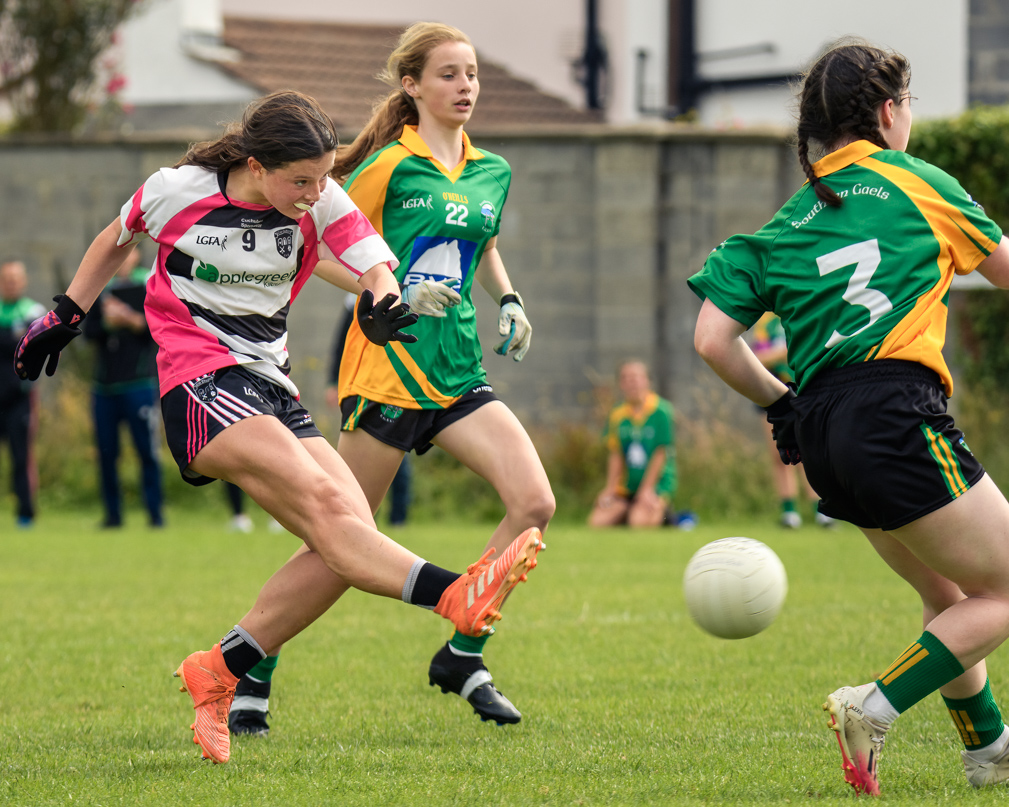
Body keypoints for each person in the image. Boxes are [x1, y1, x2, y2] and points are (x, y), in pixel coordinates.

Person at [13, 89, 545, 765]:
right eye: (301, 180)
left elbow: (371, 258)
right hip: (198, 380)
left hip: (271, 383)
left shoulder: (318, 196)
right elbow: (117, 236)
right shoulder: (178, 190)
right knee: (330, 510)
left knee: (346, 541)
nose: (314, 192)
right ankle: (453, 594)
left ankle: (223, 666)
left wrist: (383, 302)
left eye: (321, 178)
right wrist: (67, 312)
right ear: (256, 165)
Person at [689, 39, 1009, 795]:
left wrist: (777, 403)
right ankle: (873, 702)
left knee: (950, 598)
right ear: (889, 112)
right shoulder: (917, 182)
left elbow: (710, 339)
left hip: (824, 429)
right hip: (896, 414)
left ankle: (988, 748)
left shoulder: (791, 214)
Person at [230, 23, 556, 735]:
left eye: (471, 73)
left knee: (533, 503)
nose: (464, 86)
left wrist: (508, 297)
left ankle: (463, 653)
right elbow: (310, 243)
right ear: (410, 85)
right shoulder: (384, 166)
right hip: (388, 368)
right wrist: (387, 293)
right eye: (447, 74)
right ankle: (254, 660)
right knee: (344, 542)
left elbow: (485, 242)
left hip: (457, 369)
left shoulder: (491, 168)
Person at [82, 247, 164, 528]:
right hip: (104, 387)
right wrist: (107, 322)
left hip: (138, 384)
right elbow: (88, 333)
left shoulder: (148, 286)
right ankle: (113, 516)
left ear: (136, 255)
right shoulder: (100, 290)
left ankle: (155, 515)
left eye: (127, 253)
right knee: (106, 454)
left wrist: (129, 319)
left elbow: (157, 331)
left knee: (147, 452)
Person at [750, 312, 833, 529]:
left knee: (810, 452)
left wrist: (778, 354)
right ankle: (789, 512)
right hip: (774, 390)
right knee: (780, 453)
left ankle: (821, 511)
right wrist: (784, 352)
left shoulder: (803, 311)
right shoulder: (766, 322)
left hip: (805, 388)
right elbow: (757, 358)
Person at [587, 359, 677, 528]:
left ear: (647, 381)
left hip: (655, 486)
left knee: (639, 523)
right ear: (620, 384)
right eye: (626, 378)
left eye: (636, 377)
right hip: (627, 487)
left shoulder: (662, 411)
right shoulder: (617, 414)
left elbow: (660, 453)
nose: (631, 382)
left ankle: (666, 515)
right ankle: (626, 510)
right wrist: (610, 488)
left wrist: (647, 490)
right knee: (597, 523)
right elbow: (616, 454)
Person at [0, 261, 45, 528]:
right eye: (7, 279)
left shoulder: (33, 313)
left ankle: (25, 513)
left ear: (24, 281)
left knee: (21, 456)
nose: (11, 283)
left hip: (19, 398)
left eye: (16, 279)